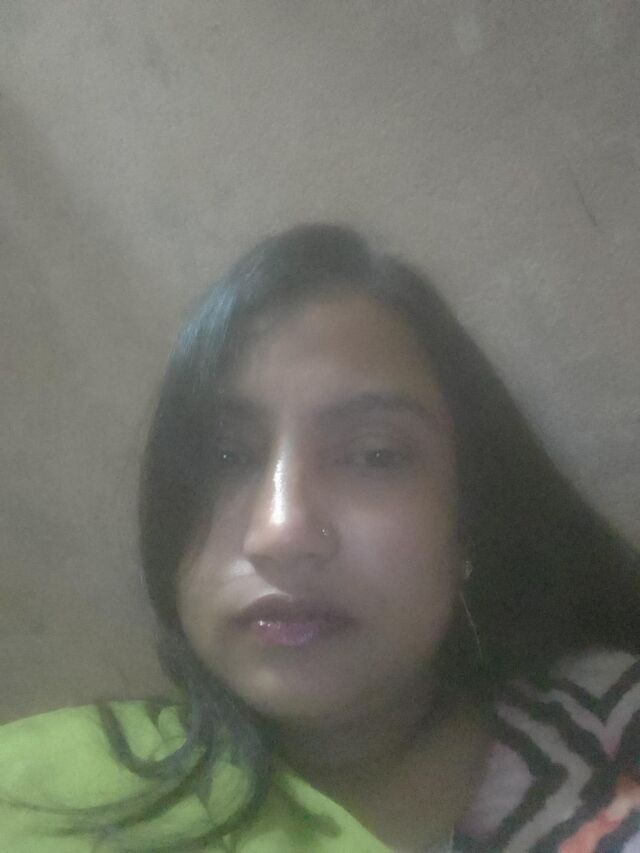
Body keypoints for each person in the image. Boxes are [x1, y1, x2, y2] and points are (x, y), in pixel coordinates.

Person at [2, 224, 640, 852]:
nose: (281, 533)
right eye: (225, 456)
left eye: (375, 455)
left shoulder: (611, 734)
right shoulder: (53, 797)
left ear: (467, 519)